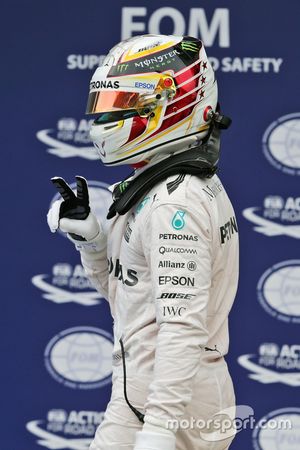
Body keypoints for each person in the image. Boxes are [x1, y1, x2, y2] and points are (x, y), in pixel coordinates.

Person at [47, 34, 239, 450]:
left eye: (120, 105)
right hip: (148, 396)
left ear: (165, 107)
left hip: (175, 408)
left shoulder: (176, 204)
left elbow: (181, 327)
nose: (104, 120)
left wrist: (160, 430)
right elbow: (132, 300)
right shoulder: (160, 182)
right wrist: (94, 244)